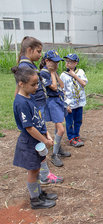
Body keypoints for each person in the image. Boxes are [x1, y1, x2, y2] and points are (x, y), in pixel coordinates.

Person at [16, 36, 64, 184]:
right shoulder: (26, 68)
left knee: (41, 141)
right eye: (38, 51)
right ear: (29, 50)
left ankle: (44, 173)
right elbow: (20, 91)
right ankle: (44, 175)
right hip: (35, 107)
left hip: (36, 107)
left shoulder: (28, 65)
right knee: (40, 143)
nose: (40, 55)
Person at [12, 66, 58, 209]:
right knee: (33, 171)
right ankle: (35, 200)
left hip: (38, 140)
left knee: (37, 168)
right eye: (33, 84)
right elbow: (29, 128)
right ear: (21, 83)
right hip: (29, 143)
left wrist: (46, 134)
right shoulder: (20, 102)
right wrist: (44, 140)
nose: (37, 87)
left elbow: (38, 119)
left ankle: (38, 192)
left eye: (37, 83)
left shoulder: (29, 97)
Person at [40, 50, 71, 167]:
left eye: (58, 62)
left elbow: (61, 85)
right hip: (52, 102)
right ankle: (54, 155)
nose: (56, 65)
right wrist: (52, 73)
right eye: (54, 62)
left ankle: (58, 149)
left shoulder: (52, 71)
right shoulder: (43, 73)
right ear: (47, 61)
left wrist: (55, 73)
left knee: (58, 127)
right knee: (61, 129)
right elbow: (53, 87)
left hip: (58, 100)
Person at [60, 53, 88, 147]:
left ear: (76, 63)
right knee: (69, 122)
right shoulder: (63, 75)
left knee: (78, 120)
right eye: (67, 61)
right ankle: (71, 138)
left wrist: (74, 75)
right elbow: (62, 90)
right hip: (70, 103)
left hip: (79, 102)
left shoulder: (80, 72)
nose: (67, 63)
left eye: (70, 62)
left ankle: (76, 135)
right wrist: (66, 104)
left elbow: (83, 83)